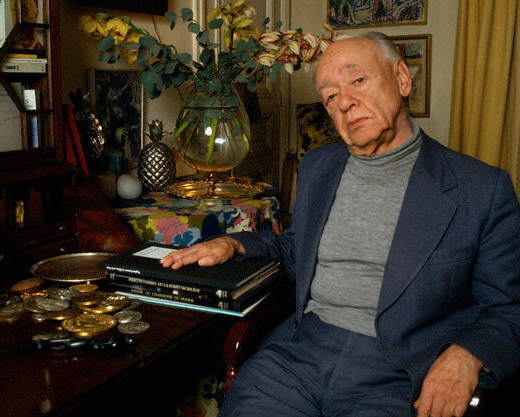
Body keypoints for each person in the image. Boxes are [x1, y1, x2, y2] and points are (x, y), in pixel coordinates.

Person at [161, 32, 520, 417]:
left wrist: (467, 355)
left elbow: (509, 307)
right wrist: (236, 245)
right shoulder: (319, 167)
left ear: (402, 78)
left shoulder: (481, 188)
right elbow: (299, 249)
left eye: (358, 80)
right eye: (330, 96)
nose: (345, 102)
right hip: (299, 357)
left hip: (400, 372)